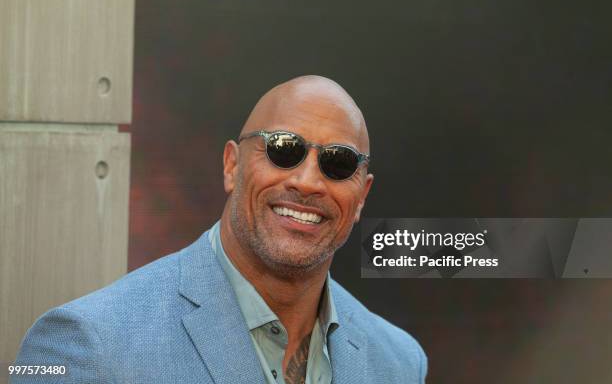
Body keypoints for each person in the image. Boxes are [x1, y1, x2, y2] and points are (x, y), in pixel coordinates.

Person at [13, 75, 427, 383]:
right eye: (283, 149)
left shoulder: (399, 362)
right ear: (232, 165)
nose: (307, 182)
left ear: (362, 197)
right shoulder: (86, 344)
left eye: (339, 164)